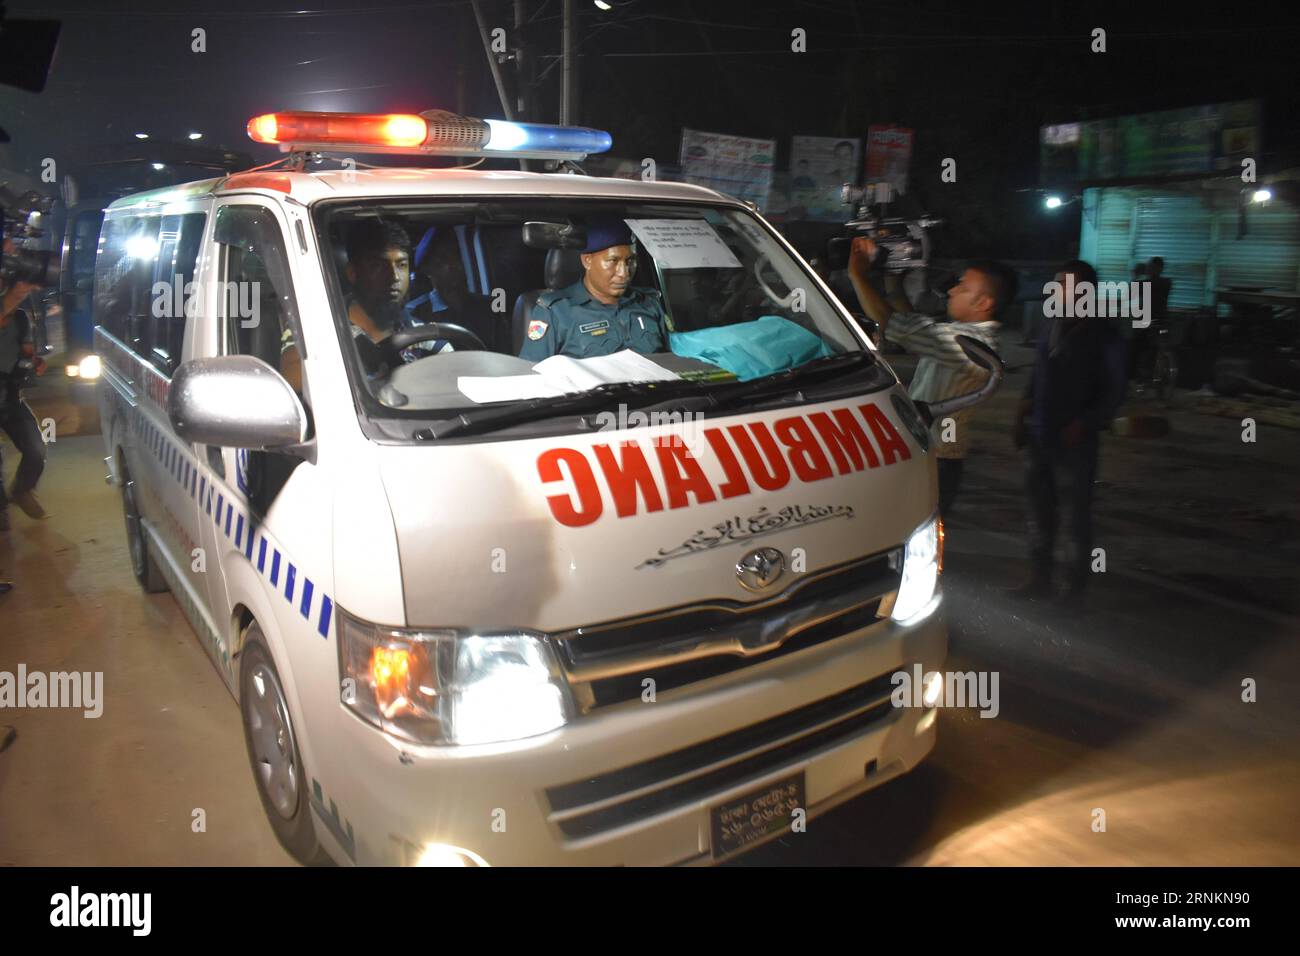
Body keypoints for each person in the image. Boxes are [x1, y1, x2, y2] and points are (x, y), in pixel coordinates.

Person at [847, 236, 1010, 515]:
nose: (952, 291)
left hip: (938, 458)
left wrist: (857, 274)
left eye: (963, 287)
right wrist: (893, 277)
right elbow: (913, 322)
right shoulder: (966, 334)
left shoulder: (966, 343)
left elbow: (894, 324)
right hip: (936, 455)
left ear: (983, 302)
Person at [1011, 259, 1127, 603]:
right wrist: (1021, 414)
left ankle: (1073, 590)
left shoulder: (1106, 334)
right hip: (1040, 435)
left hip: (1075, 442)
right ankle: (1039, 580)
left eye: (1066, 285)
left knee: (1075, 517)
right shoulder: (1050, 324)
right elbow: (1037, 375)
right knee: (1039, 511)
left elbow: (1116, 392)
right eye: (1057, 283)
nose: (1058, 290)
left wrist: (1086, 422)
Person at [519, 219, 669, 361]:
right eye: (613, 261)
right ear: (587, 261)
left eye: (630, 261)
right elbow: (531, 377)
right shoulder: (555, 312)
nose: (624, 273)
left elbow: (673, 362)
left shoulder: (649, 303)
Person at [0, 277, 49, 535]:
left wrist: (34, 362)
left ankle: (22, 490)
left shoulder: (19, 319)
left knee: (36, 450)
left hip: (10, 396)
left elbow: (27, 352)